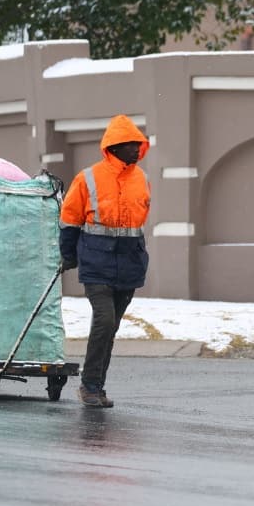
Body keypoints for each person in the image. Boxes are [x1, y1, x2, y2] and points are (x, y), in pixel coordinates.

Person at [59, 114, 151, 407]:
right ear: (115, 146)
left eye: (140, 144)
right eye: (133, 144)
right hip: (96, 260)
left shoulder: (142, 178)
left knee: (110, 328)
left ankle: (96, 386)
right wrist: (68, 255)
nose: (139, 149)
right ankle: (89, 386)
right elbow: (70, 219)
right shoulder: (88, 177)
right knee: (104, 320)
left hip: (129, 260)